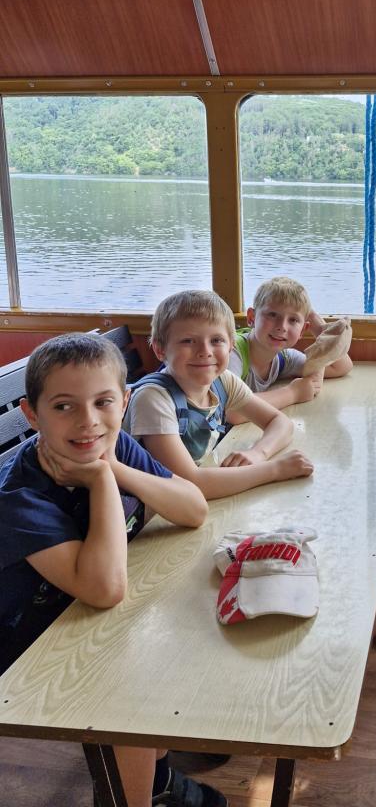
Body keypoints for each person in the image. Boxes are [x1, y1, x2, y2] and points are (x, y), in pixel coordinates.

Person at [0, 333, 225, 807]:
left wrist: (114, 469)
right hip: (26, 648)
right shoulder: (19, 497)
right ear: (31, 414)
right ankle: (135, 794)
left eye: (103, 402)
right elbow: (103, 589)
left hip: (79, 615)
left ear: (124, 402)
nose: (88, 421)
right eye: (64, 406)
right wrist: (103, 477)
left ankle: (156, 776)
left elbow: (193, 508)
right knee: (128, 683)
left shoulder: (113, 445)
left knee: (176, 622)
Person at [124, 289, 313, 500]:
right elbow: (191, 483)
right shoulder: (152, 399)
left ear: (231, 345)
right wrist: (275, 470)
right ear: (160, 350)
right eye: (188, 341)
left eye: (216, 340)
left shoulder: (222, 381)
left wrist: (258, 453)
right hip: (150, 510)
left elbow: (280, 422)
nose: (205, 351)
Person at [229, 276, 353, 409]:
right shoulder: (231, 352)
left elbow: (341, 367)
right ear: (251, 317)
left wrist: (317, 326)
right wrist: (293, 393)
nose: (282, 326)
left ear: (302, 330)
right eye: (272, 315)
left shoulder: (283, 358)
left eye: (293, 320)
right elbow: (232, 408)